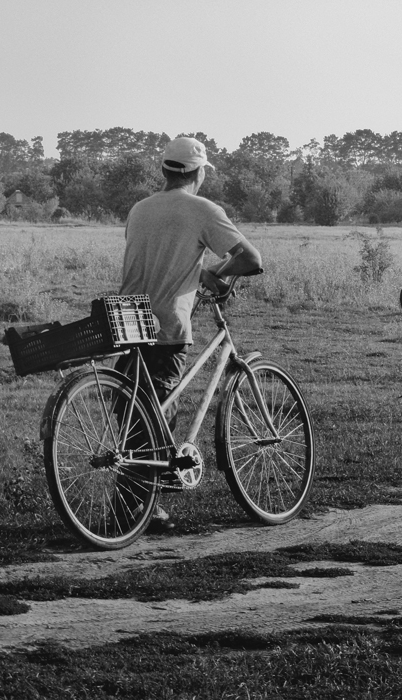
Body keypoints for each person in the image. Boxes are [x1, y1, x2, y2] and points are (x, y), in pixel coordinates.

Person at [117, 136, 262, 530]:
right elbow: (251, 259)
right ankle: (139, 506)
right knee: (158, 407)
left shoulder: (140, 209)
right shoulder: (203, 210)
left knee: (134, 407)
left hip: (127, 321)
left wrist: (198, 273)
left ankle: (129, 500)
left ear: (164, 170)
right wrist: (218, 274)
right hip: (166, 323)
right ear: (198, 173)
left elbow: (159, 257)